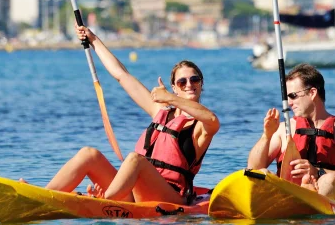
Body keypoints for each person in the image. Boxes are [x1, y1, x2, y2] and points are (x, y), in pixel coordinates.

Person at [41, 25, 220, 203]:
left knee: (136, 159)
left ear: (201, 84)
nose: (189, 84)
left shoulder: (202, 127)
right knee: (88, 154)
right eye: (182, 82)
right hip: (134, 192)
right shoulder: (161, 111)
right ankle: (39, 197)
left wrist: (170, 99)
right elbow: (122, 75)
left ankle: (105, 200)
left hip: (169, 196)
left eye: (194, 79)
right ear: (174, 87)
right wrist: (93, 38)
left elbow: (212, 119)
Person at [247, 63, 335, 202]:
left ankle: (316, 213)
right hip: (288, 198)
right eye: (287, 97)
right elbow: (253, 168)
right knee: (263, 174)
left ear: (312, 93)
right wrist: (266, 136)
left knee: (328, 180)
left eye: (293, 95)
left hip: (329, 199)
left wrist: (318, 172)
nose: (289, 102)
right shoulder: (283, 130)